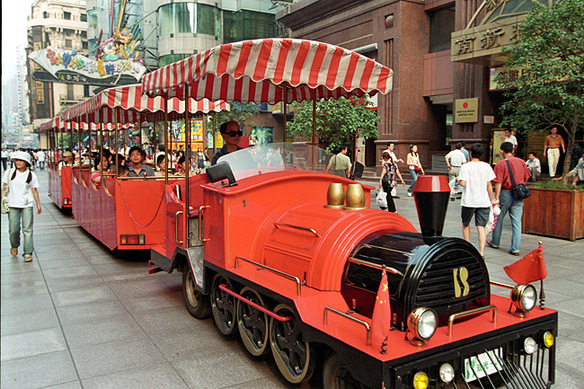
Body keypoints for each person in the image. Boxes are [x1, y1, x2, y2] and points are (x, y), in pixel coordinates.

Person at [488, 142, 531, 256]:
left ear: (502, 151)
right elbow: (526, 178)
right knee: (517, 222)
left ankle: (495, 242)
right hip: (518, 195)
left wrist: (496, 198)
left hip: (505, 193)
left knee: (499, 219)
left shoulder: (500, 164)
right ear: (513, 150)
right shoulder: (522, 162)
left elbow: (498, 182)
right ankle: (515, 248)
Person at [458, 144, 497, 257]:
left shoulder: (466, 167)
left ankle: (468, 250)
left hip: (468, 201)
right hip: (483, 201)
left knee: (466, 225)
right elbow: (489, 184)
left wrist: (458, 180)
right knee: (481, 227)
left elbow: (463, 183)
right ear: (481, 154)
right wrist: (493, 199)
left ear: (470, 153)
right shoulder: (486, 166)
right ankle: (481, 252)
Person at [2, 151, 42, 262]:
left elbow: (34, 190)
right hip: (12, 204)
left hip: (27, 205)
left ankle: (28, 253)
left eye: (21, 161)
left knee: (27, 230)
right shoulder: (9, 173)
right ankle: (14, 245)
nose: (18, 163)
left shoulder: (31, 175)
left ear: (26, 162)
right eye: (16, 161)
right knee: (13, 230)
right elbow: (4, 187)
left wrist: (38, 204)